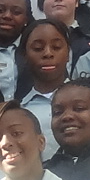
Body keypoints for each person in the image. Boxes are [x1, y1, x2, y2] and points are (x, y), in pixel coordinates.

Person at [15, 18, 72, 156]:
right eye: (38, 48)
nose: (48, 53)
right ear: (24, 56)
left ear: (68, 53)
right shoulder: (19, 111)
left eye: (57, 47)